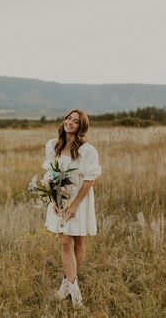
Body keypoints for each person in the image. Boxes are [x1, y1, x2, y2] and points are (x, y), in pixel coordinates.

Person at [42, 109, 101, 307]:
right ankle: (76, 295)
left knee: (78, 241)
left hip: (79, 199)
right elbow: (50, 175)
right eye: (69, 118)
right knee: (65, 242)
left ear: (81, 126)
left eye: (75, 121)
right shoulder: (53, 145)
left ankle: (66, 286)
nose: (70, 122)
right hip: (60, 199)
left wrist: (75, 205)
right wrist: (53, 201)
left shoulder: (87, 149)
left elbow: (90, 179)